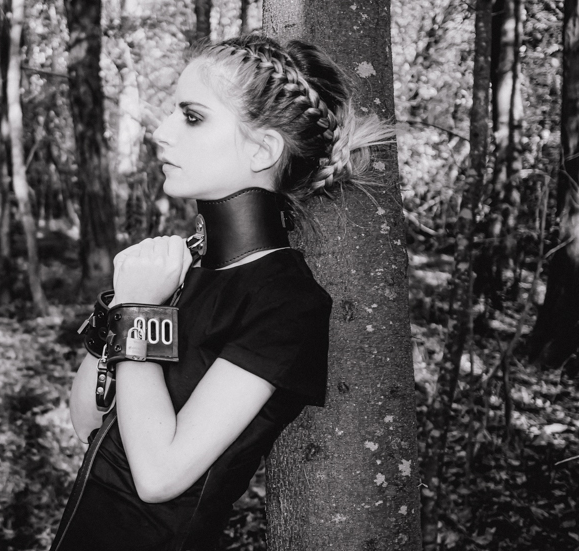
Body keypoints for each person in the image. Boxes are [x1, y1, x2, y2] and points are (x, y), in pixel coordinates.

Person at [51, 34, 393, 551]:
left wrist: (139, 311)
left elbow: (159, 475)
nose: (161, 132)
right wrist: (125, 304)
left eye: (192, 117)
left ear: (262, 150)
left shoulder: (287, 302)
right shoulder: (182, 269)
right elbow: (87, 422)